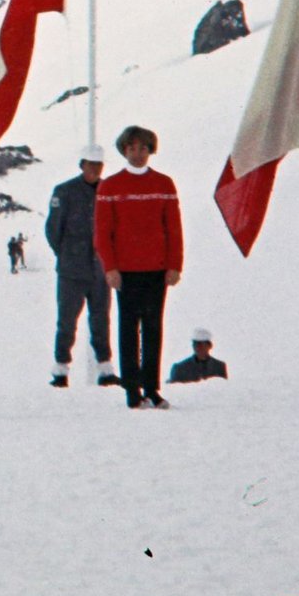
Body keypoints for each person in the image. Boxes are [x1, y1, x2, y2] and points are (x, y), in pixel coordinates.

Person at [95, 125, 184, 410]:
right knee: (128, 329)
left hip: (156, 269)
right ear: (124, 150)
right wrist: (110, 267)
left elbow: (173, 228)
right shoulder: (110, 186)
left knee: (153, 328)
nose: (138, 153)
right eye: (132, 148)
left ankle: (152, 388)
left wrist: (174, 264)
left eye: (143, 148)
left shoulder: (164, 184)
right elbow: (102, 232)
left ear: (150, 150)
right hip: (126, 271)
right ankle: (132, 390)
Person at [43, 145, 116, 388]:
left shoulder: (109, 191)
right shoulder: (64, 192)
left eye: (98, 165)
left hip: (99, 270)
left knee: (100, 320)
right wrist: (66, 255)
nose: (94, 170)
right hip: (72, 271)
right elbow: (53, 230)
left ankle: (105, 369)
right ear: (82, 165)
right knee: (66, 322)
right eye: (90, 164)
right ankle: (61, 370)